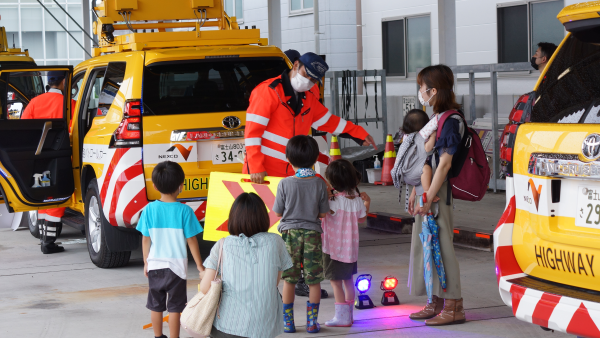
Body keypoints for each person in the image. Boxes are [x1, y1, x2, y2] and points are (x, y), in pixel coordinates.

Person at [244, 52, 376, 183]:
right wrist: (256, 167)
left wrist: (358, 133)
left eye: (313, 80)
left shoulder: (310, 95)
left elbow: (327, 121)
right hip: (265, 173)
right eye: (306, 75)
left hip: (295, 173)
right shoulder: (267, 92)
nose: (308, 81)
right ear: (296, 65)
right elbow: (252, 135)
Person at [407, 65, 465, 326]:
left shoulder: (451, 120)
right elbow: (425, 159)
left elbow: (444, 164)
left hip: (438, 192)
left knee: (442, 248)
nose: (420, 92)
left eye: (422, 87)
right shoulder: (438, 118)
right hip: (427, 190)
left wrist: (428, 196)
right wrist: (415, 190)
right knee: (427, 246)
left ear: (433, 90)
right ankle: (436, 301)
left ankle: (453, 306)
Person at [200, 192, 293, 338]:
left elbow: (205, 288)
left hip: (228, 324)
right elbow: (273, 282)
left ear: (233, 218)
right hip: (265, 326)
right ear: (263, 217)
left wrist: (204, 275)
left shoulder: (223, 244)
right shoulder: (276, 242)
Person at [137, 161, 205, 338]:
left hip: (155, 266)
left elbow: (145, 239)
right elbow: (192, 241)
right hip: (176, 268)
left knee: (155, 305)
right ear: (181, 186)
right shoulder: (185, 211)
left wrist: (146, 262)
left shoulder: (148, 210)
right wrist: (200, 266)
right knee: (175, 307)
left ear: (154, 185)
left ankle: (158, 336)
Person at [272, 135, 330, 333]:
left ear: (288, 158)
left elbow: (278, 213)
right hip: (312, 234)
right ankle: (312, 323)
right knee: (313, 280)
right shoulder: (320, 184)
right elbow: (323, 213)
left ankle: (288, 322)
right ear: (315, 159)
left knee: (289, 279)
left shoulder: (284, 184)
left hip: (289, 235)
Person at [21, 71, 68, 254]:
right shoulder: (68, 104)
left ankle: (44, 240)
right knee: (57, 195)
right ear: (64, 82)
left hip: (39, 157)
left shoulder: (34, 103)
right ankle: (49, 243)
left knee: (42, 192)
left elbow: (23, 129)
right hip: (61, 155)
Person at [320, 159, 370, 327]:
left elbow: (320, 215)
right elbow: (362, 218)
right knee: (348, 280)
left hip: (334, 248)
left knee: (335, 282)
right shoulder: (356, 199)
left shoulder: (332, 201)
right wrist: (367, 203)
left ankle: (341, 318)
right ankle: (349, 316)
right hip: (350, 249)